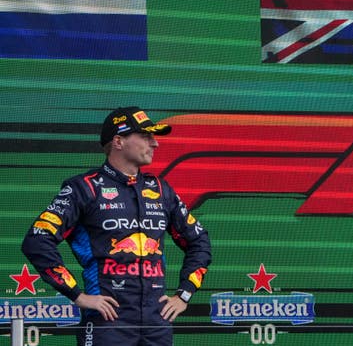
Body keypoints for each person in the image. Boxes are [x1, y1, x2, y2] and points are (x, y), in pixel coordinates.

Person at [22, 106, 212, 346]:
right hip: (107, 321)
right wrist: (78, 296)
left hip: (156, 322)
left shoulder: (161, 190)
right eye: (145, 136)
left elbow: (199, 241)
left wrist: (184, 294)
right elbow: (37, 239)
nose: (155, 144)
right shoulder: (84, 188)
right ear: (118, 141)